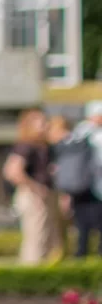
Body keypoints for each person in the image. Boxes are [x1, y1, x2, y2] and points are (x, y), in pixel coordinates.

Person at [5, 108, 62, 265]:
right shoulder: (25, 145)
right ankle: (32, 273)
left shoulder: (44, 146)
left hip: (45, 194)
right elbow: (12, 171)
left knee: (49, 238)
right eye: (41, 122)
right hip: (33, 195)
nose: (46, 125)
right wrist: (35, 187)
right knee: (36, 238)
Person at [63, 102, 102, 260]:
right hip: (88, 186)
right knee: (87, 224)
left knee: (83, 224)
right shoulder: (87, 133)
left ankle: (82, 254)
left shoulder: (78, 132)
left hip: (82, 186)